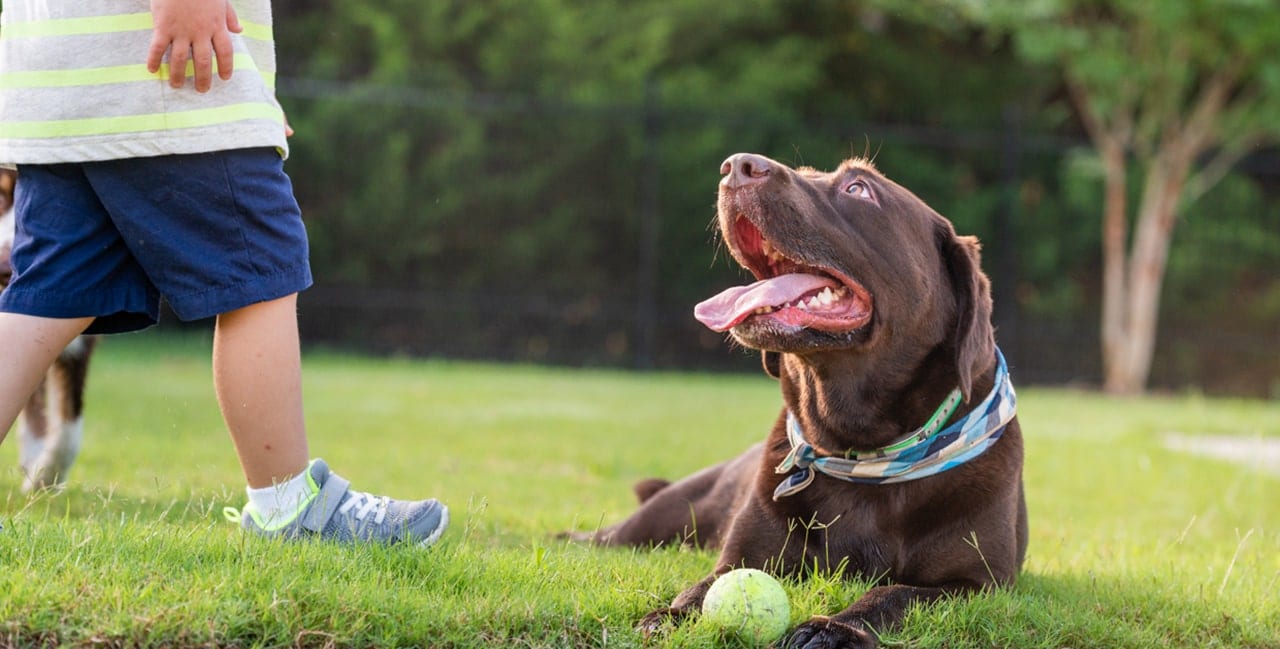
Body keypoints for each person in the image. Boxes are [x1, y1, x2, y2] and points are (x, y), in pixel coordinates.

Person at [0, 0, 448, 545]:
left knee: (47, 300)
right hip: (161, 79)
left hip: (59, 86)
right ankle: (288, 507)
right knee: (260, 266)